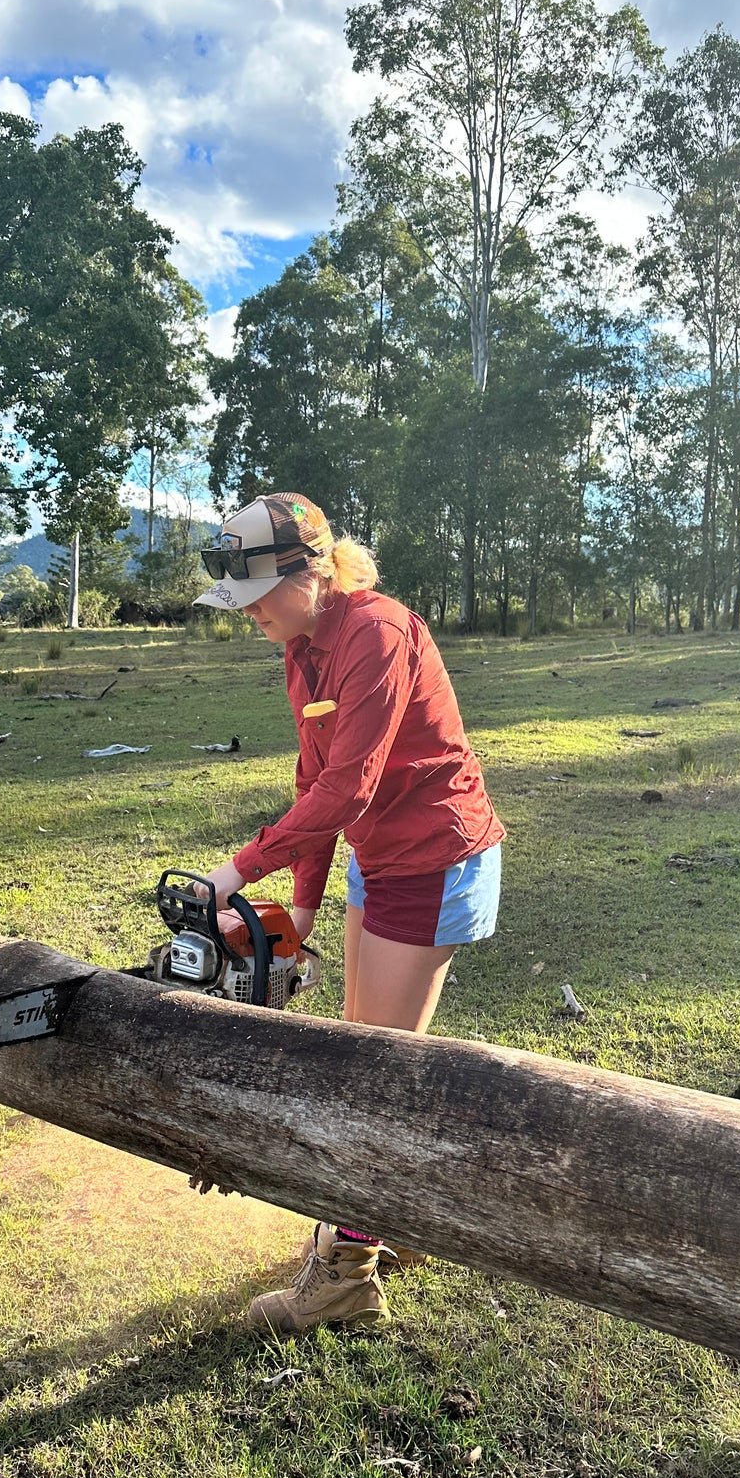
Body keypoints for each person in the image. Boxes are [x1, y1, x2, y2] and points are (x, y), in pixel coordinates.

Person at [194, 491, 504, 1334]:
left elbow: (350, 785)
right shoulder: (302, 646)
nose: (247, 613)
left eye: (256, 594)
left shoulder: (375, 632)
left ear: (310, 570)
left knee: (371, 1075)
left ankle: (345, 1279)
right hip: (376, 854)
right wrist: (297, 915)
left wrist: (236, 870)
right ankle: (387, 1215)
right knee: (360, 1051)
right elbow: (315, 783)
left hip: (434, 854)